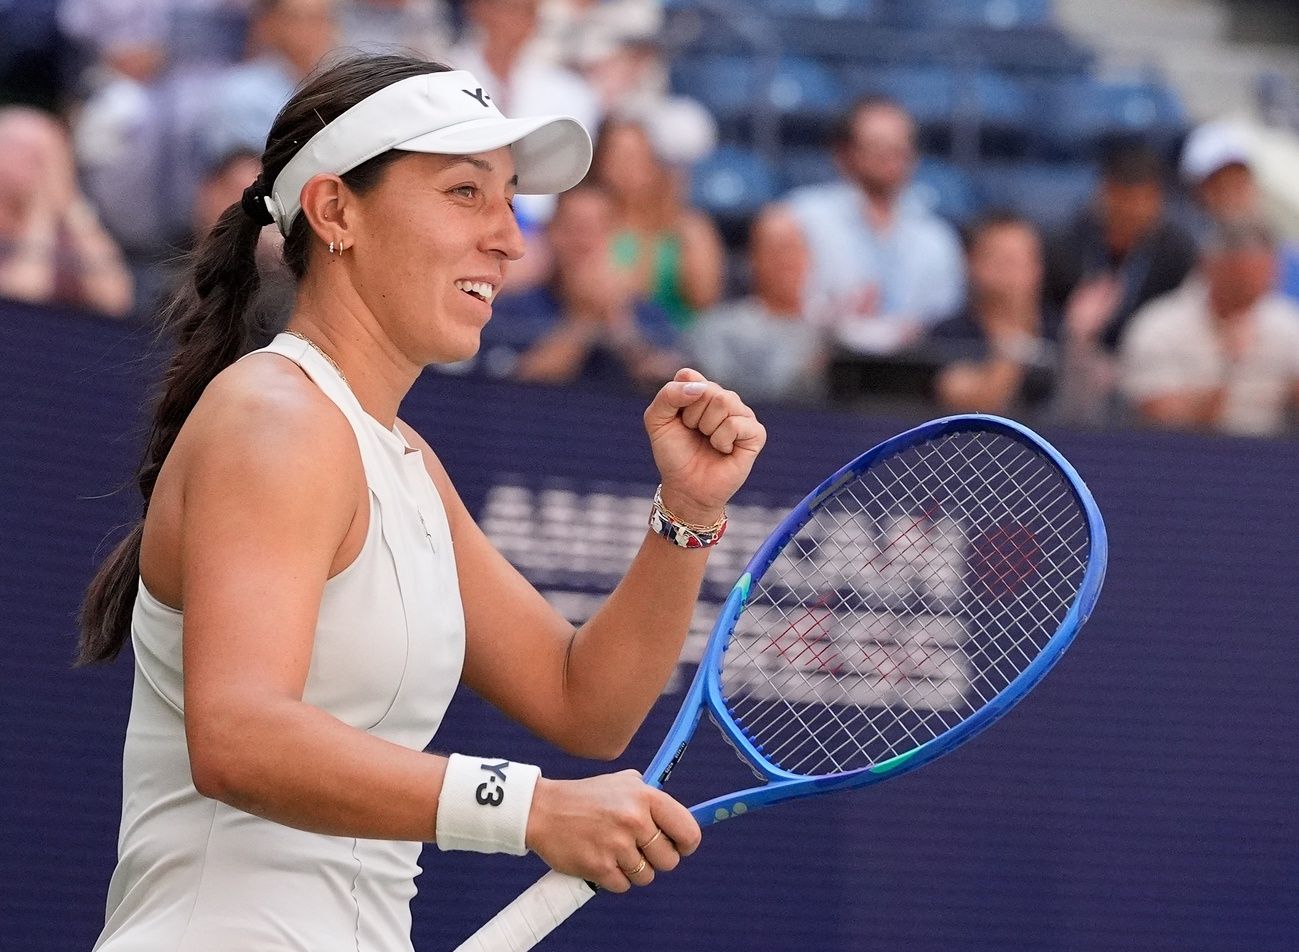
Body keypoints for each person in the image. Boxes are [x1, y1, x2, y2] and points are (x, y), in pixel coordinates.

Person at [79, 54, 765, 951]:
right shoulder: (275, 418)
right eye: (464, 193)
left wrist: (688, 511)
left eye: (509, 198)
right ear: (335, 211)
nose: (509, 238)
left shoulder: (397, 455)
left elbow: (584, 704)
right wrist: (528, 809)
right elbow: (239, 736)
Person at [785, 95, 965, 356]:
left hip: (913, 367)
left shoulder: (937, 237)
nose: (888, 157)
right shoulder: (802, 216)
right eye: (876, 146)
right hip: (821, 359)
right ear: (844, 153)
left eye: (898, 148)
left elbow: (944, 319)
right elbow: (787, 305)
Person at [481, 182, 682, 389]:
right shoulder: (512, 310)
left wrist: (621, 324)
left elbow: (666, 380)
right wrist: (585, 318)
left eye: (597, 229)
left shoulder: (647, 314)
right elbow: (511, 383)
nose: (584, 243)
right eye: (573, 229)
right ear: (551, 231)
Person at [1119, 216, 1299, 436]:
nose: (1253, 288)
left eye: (1264, 277)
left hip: (1275, 451)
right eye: (1241, 278)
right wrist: (1232, 366)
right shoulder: (1159, 326)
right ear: (1210, 267)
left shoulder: (1288, 324)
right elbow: (1162, 419)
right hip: (1190, 452)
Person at [590, 116, 725, 329]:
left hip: (680, 338)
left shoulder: (689, 227)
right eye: (617, 156)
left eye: (635, 157)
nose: (626, 167)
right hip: (610, 337)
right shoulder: (588, 225)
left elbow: (705, 297)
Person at [686, 204, 826, 405]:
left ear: (808, 257)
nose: (786, 261)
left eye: (793, 248)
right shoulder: (720, 329)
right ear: (753, 259)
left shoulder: (829, 331)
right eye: (776, 250)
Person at [0, 106, 133, 317]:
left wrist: (73, 204)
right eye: (32, 156)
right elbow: (21, 301)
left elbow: (115, 299)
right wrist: (40, 214)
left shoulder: (69, 230)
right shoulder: (36, 222)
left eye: (51, 159)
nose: (44, 171)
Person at [930, 212, 1055, 416]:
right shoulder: (949, 334)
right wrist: (1015, 338)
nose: (1014, 274)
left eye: (1024, 261)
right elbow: (969, 403)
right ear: (973, 264)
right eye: (1004, 261)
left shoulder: (1060, 330)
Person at [1180, 118, 1299, 303]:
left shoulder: (1289, 259)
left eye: (1240, 182)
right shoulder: (1184, 258)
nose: (1232, 194)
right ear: (1198, 195)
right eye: (1219, 186)